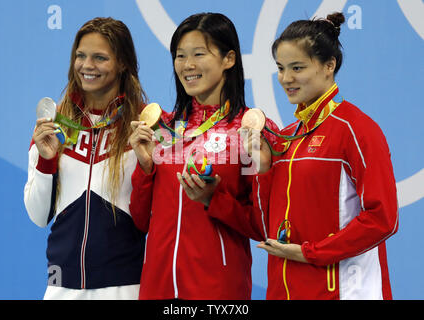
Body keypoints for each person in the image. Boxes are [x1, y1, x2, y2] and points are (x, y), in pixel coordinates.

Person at [242, 12, 399, 299]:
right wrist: (262, 170)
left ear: (329, 65)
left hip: (345, 291)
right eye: (280, 68)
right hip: (285, 290)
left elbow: (383, 219)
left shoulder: (356, 129)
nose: (286, 78)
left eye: (297, 68)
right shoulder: (287, 136)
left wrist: (310, 253)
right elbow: (265, 228)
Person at [128, 12, 278, 299]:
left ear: (229, 59)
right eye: (180, 56)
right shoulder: (164, 129)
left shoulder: (249, 130)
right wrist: (145, 168)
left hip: (217, 291)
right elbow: (140, 220)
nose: (188, 65)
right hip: (157, 287)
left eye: (199, 54)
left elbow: (262, 227)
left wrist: (214, 200)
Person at [24, 17, 146, 300]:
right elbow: (38, 216)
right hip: (61, 287)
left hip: (125, 287)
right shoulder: (54, 125)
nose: (86, 66)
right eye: (80, 56)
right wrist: (46, 161)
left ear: (123, 63)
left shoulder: (145, 125)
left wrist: (147, 165)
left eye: (100, 57)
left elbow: (150, 216)